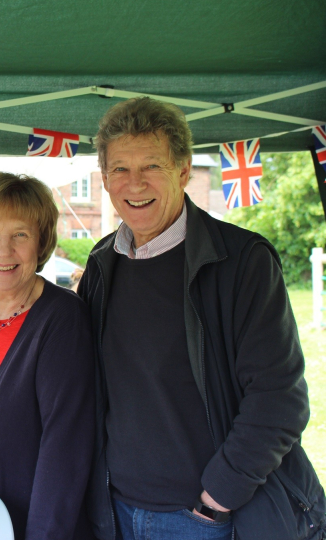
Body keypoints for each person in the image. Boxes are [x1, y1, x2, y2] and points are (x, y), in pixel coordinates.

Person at [78, 97, 324, 540]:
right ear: (105, 178)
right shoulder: (100, 265)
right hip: (115, 512)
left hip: (205, 519)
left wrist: (216, 500)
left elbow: (279, 399)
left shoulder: (242, 261)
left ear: (184, 170)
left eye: (151, 165)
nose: (134, 184)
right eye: (119, 169)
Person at [0, 172, 95, 540]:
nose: (4, 250)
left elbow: (66, 452)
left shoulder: (62, 317)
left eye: (20, 235)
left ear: (41, 243)